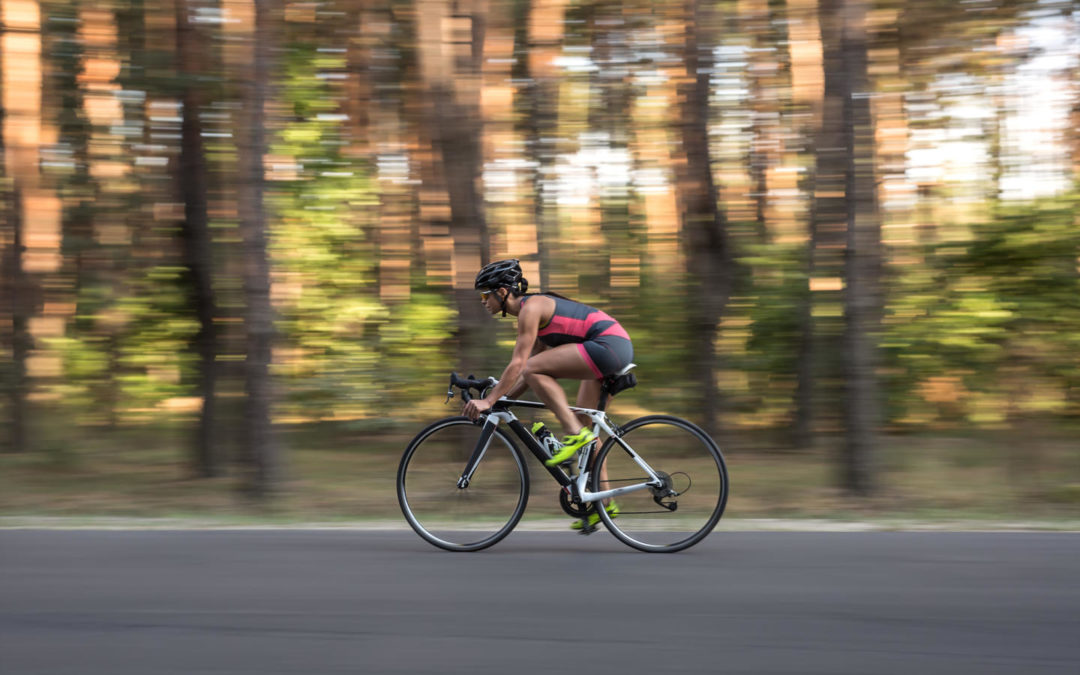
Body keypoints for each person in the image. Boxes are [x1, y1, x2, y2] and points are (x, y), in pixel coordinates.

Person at [461, 259, 633, 530]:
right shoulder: (539, 320)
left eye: (485, 294)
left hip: (608, 344)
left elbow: (521, 365)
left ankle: (575, 435)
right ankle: (605, 504)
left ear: (503, 292)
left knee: (576, 426)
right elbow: (529, 374)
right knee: (586, 426)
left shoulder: (532, 309)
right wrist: (503, 400)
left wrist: (489, 399)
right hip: (611, 346)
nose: (483, 301)